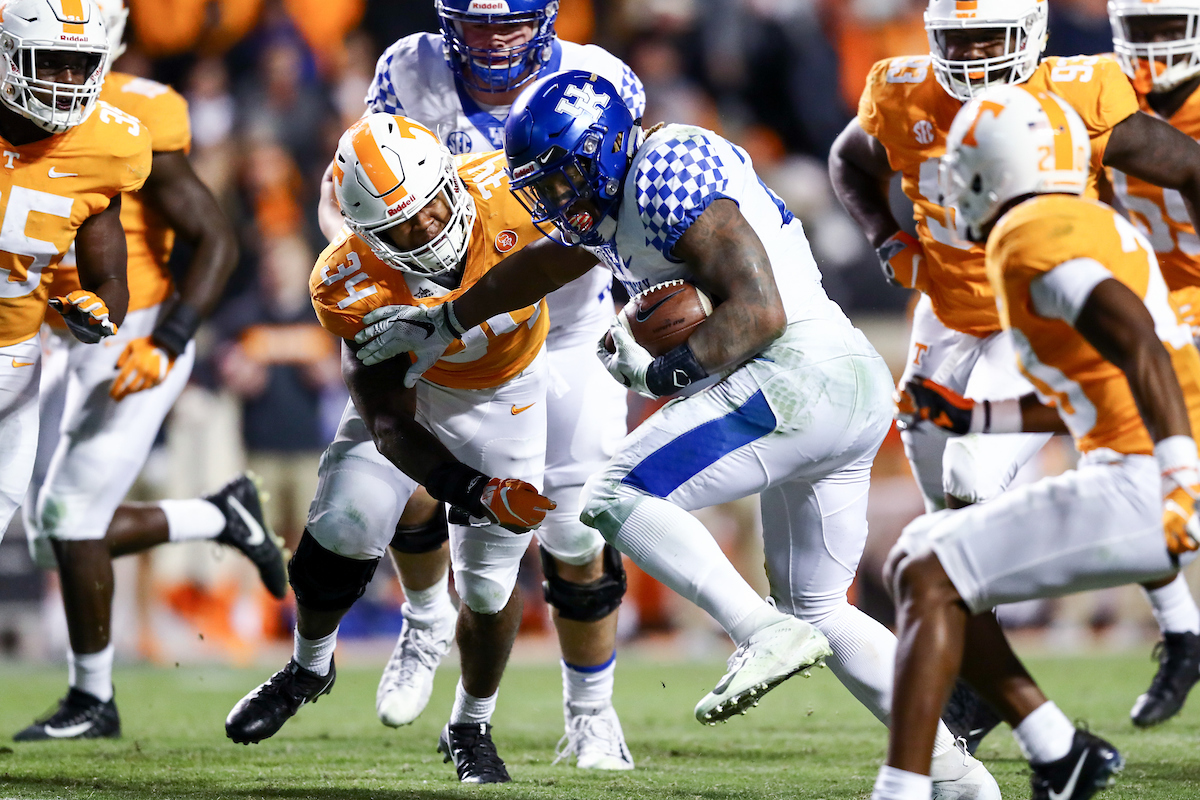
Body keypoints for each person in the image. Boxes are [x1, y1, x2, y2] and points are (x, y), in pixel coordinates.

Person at [354, 70, 1000, 800]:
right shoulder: (614, 202)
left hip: (801, 375)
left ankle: (756, 631)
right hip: (836, 387)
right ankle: (959, 778)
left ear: (601, 149)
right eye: (540, 185)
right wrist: (446, 319)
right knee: (819, 610)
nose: (552, 200)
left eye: (561, 179)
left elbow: (759, 313)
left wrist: (658, 376)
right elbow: (541, 265)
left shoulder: (666, 168)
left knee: (610, 494)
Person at [828, 0, 1200, 747]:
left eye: (986, 39)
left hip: (1033, 301)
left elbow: (1187, 165)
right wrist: (886, 238)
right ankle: (1004, 694)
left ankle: (1171, 633)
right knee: (944, 518)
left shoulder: (1077, 91)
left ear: (1028, 32)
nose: (970, 58)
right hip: (945, 309)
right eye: (955, 41)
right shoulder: (901, 89)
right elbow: (849, 161)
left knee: (972, 488)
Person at [314, 0, 644, 769]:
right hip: (447, 325)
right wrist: (370, 269)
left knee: (575, 527)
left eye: (508, 22)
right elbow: (353, 190)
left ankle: (591, 713)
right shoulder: (408, 69)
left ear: (547, 19)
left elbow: (615, 216)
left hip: (567, 330)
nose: (491, 38)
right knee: (411, 473)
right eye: (474, 21)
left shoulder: (597, 79)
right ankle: (426, 620)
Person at [226, 114, 572, 784]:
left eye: (431, 207)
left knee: (489, 583)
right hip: (417, 393)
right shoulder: (346, 282)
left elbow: (587, 249)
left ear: (451, 178)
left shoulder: (510, 189)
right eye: (399, 228)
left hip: (510, 396)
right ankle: (308, 665)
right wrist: (470, 490)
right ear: (365, 232)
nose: (426, 231)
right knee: (342, 523)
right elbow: (387, 423)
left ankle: (470, 723)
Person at [13, 0, 285, 742]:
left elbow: (215, 240)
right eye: (48, 57)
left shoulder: (134, 119)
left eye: (80, 57)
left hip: (128, 332)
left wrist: (166, 339)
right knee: (46, 535)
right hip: (43, 335)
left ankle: (92, 700)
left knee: (69, 519)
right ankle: (218, 516)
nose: (65, 75)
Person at [1107, 0, 1200, 727]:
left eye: (1168, 27)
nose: (1153, 46)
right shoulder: (1102, 93)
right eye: (1141, 28)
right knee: (1126, 471)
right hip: (1144, 306)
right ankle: (1183, 632)